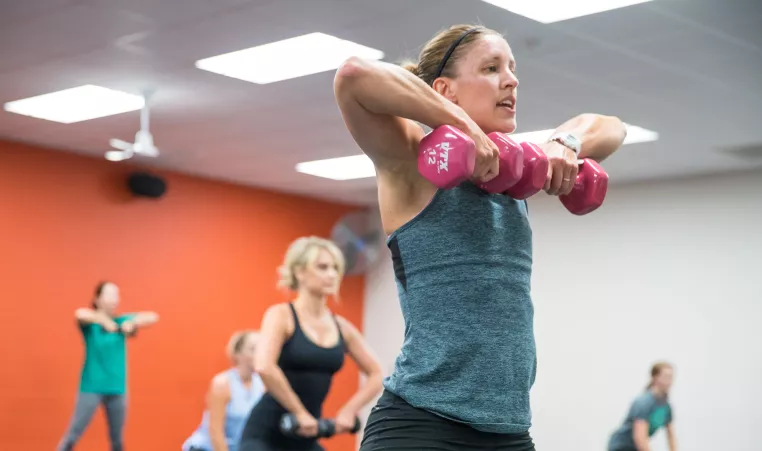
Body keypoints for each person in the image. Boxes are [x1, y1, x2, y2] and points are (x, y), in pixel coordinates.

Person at [333, 24, 628, 450]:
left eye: (512, 69)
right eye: (492, 68)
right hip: (422, 424)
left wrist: (565, 142)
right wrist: (459, 123)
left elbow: (612, 127)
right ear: (444, 89)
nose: (511, 80)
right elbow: (353, 75)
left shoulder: (520, 171)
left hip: (508, 430)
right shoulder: (413, 158)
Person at [238, 236, 384, 451]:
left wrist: (349, 410)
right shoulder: (281, 316)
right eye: (323, 267)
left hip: (305, 436)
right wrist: (299, 412)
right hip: (266, 434)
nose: (332, 274)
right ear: (299, 272)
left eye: (335, 267)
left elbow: (376, 372)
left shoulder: (341, 327)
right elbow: (264, 366)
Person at [57, 281, 159, 451]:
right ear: (97, 299)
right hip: (91, 387)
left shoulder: (122, 320)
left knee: (117, 441)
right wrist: (103, 321)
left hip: (117, 389)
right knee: (72, 436)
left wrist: (132, 324)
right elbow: (80, 314)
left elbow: (153, 317)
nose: (114, 299)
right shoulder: (91, 325)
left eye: (116, 295)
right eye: (109, 294)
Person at [183, 330, 266, 451]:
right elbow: (216, 432)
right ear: (238, 354)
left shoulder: (262, 384)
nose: (259, 354)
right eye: (253, 349)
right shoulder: (222, 384)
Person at [608, 362, 677, 451]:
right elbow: (640, 438)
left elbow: (671, 436)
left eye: (671, 377)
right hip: (622, 446)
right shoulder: (644, 402)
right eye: (665, 377)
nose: (669, 381)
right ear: (655, 378)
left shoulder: (666, 406)